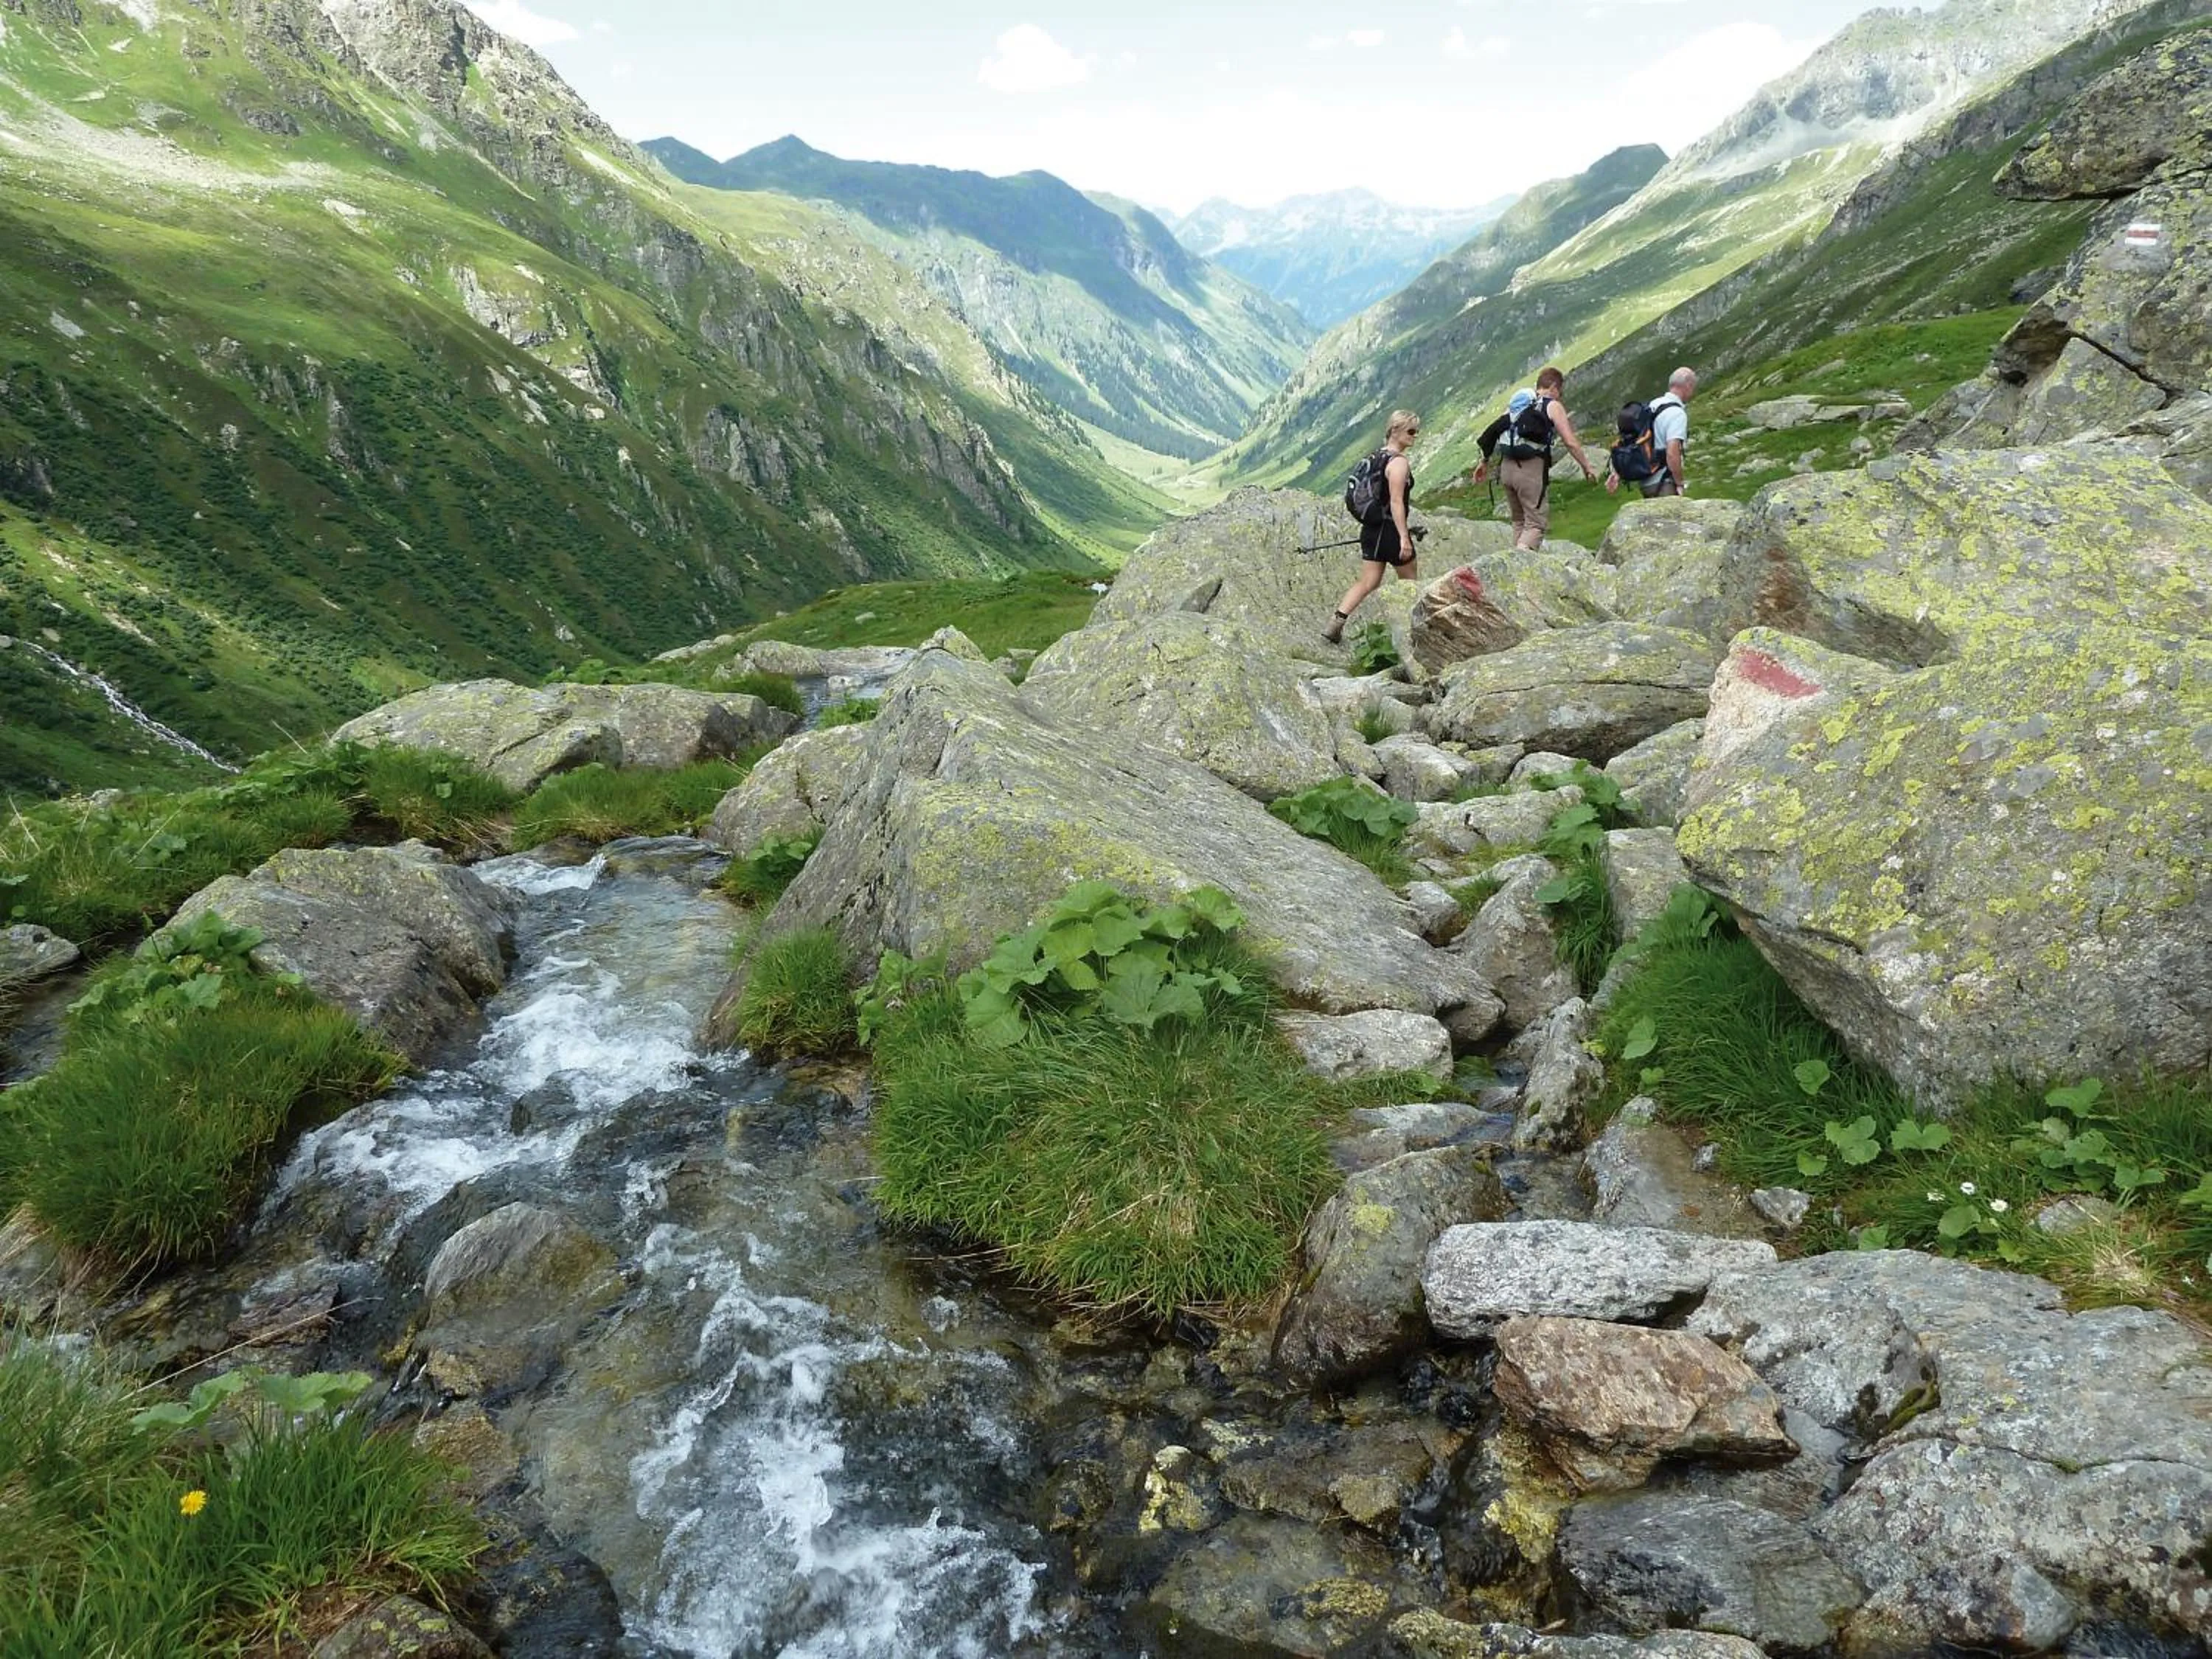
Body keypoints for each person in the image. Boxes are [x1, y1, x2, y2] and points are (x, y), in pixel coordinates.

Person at [1470, 366, 1599, 551]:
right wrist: (1587, 467)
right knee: (1536, 524)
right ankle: (1520, 561)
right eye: (1560, 392)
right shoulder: (1552, 405)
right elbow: (1570, 442)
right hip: (1530, 471)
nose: (1560, 396)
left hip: (1506, 469)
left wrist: (1483, 462)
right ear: (1554, 387)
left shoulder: (1516, 406)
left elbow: (1496, 430)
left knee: (1519, 521)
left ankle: (1513, 565)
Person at [1324, 409, 1422, 644]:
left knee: (1368, 582)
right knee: (1411, 585)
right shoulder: (1398, 463)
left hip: (1370, 529)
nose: (1414, 436)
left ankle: (1336, 623)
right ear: (1395, 430)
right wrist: (1404, 538)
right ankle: (1414, 632)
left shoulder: (1375, 457)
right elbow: (1397, 502)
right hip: (1390, 531)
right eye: (1410, 431)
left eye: (1416, 432)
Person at [1609, 366, 1697, 498]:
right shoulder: (1677, 414)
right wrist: (1679, 483)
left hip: (1645, 480)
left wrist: (1617, 473)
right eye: (1693, 387)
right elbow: (1672, 452)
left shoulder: (1652, 405)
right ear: (1688, 386)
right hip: (1663, 482)